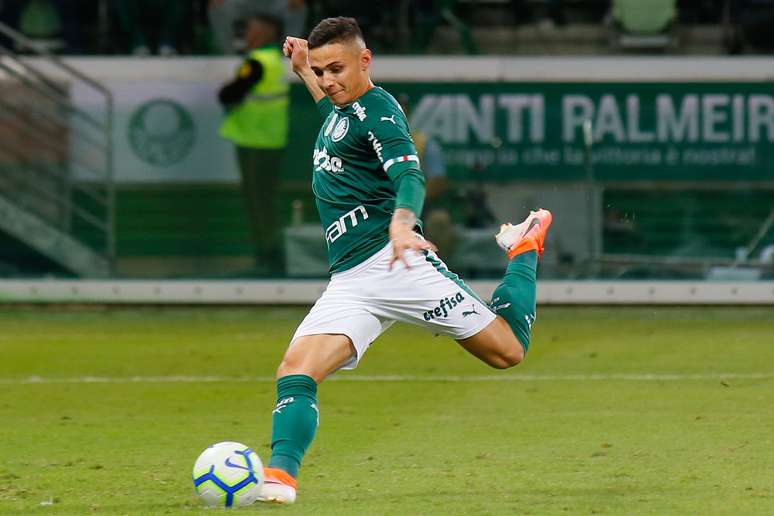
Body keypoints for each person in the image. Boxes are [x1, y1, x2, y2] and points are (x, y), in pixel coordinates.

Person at [257, 17, 552, 504]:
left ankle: (523, 249)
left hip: (396, 264)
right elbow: (336, 118)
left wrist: (402, 222)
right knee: (296, 370)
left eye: (337, 69)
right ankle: (279, 480)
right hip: (351, 279)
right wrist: (303, 71)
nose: (329, 81)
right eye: (321, 71)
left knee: (508, 352)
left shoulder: (380, 109)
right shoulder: (338, 108)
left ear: (364, 61)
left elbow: (409, 175)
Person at [217, 13, 288, 272]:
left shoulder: (258, 61)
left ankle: (269, 257)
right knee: (263, 201)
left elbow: (230, 93)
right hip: (269, 140)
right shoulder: (273, 61)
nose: (246, 33)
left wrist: (226, 89)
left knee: (259, 202)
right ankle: (269, 254)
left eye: (251, 28)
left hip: (257, 143)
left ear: (268, 31)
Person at [208, 0, 307, 54]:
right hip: (242, 3)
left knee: (296, 6)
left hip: (275, 3)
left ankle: (290, 55)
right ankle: (229, 57)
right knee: (217, 5)